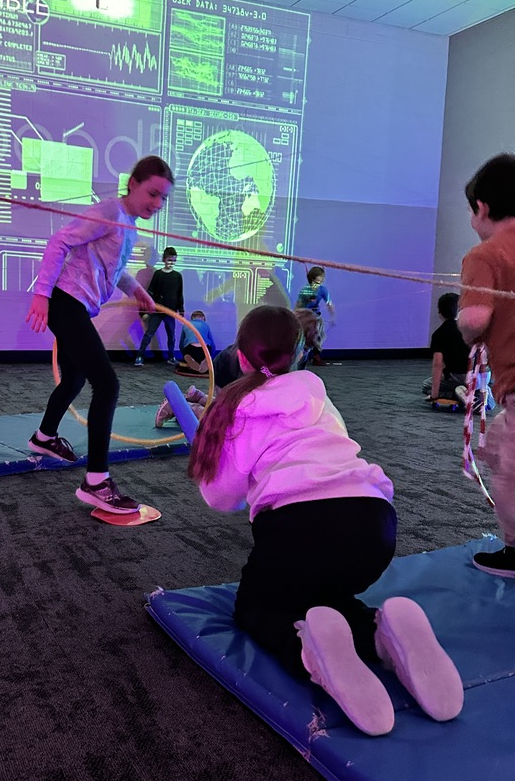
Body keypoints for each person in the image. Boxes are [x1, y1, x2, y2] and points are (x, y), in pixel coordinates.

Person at [186, 305, 463, 736]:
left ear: (239, 357)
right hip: (373, 523)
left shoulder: (238, 407)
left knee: (257, 606)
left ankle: (308, 651)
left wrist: (209, 450)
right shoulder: (316, 394)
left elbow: (223, 498)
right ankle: (379, 632)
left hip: (301, 527)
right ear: (299, 354)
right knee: (325, 593)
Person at [26, 155, 174, 514]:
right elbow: (59, 242)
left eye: (163, 199)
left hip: (77, 306)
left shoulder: (129, 225)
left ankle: (43, 438)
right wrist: (42, 295)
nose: (156, 204)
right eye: (152, 193)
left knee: (75, 378)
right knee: (107, 385)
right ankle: (96, 481)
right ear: (132, 184)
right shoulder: (110, 211)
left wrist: (135, 290)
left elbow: (113, 269)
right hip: (66, 303)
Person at [457, 153, 515, 576]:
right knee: (497, 444)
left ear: (481, 208)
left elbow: (475, 320)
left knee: (510, 471)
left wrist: (466, 328)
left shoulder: (486, 253)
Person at [422, 292, 493, 410]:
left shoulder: (439, 334)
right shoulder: (472, 327)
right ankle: (480, 395)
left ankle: (459, 393)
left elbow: (438, 365)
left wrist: (435, 395)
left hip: (460, 376)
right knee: (486, 395)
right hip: (482, 374)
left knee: (426, 386)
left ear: (439, 311)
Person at [134, 246, 184, 365]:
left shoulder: (177, 276)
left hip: (170, 311)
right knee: (149, 333)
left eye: (174, 261)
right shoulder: (158, 274)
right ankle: (140, 356)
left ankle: (171, 357)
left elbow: (179, 294)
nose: (171, 263)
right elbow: (150, 293)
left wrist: (181, 310)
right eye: (169, 260)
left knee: (171, 335)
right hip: (157, 311)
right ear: (164, 260)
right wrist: (145, 312)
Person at [295, 266, 335, 364]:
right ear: (314, 277)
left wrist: (332, 316)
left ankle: (316, 357)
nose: (323, 278)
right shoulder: (304, 290)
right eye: (321, 276)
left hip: (315, 317)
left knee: (317, 337)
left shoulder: (323, 290)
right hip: (304, 318)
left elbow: (329, 304)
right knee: (303, 339)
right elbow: (299, 305)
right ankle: (300, 358)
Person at [178, 309, 217, 373]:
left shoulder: (186, 324)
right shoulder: (205, 325)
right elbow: (212, 343)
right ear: (203, 318)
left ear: (192, 318)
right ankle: (206, 359)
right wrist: (210, 355)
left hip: (190, 348)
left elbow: (181, 343)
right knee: (206, 352)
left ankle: (190, 359)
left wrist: (184, 353)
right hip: (204, 349)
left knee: (186, 358)